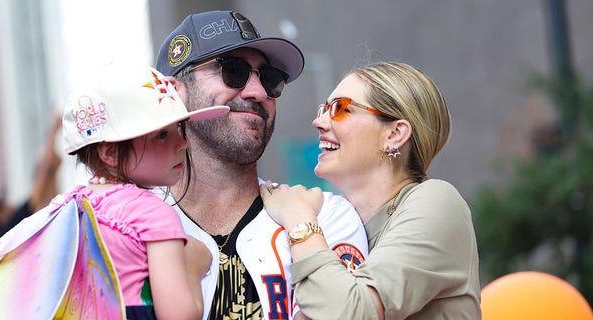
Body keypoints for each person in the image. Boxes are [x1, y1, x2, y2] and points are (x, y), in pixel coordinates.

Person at [155, 10, 369, 320]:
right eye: (233, 72)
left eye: (270, 79)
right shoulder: (125, 227)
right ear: (175, 93)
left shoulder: (325, 216)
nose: (258, 92)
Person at [260, 62, 482, 319]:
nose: (318, 122)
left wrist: (299, 220)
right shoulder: (338, 222)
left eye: (340, 108)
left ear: (394, 134)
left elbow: (353, 311)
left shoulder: (438, 201)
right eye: (323, 109)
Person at [60, 64, 229, 319]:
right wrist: (193, 268)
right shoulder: (151, 214)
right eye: (162, 135)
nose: (182, 143)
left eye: (178, 129)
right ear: (111, 153)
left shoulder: (70, 207)